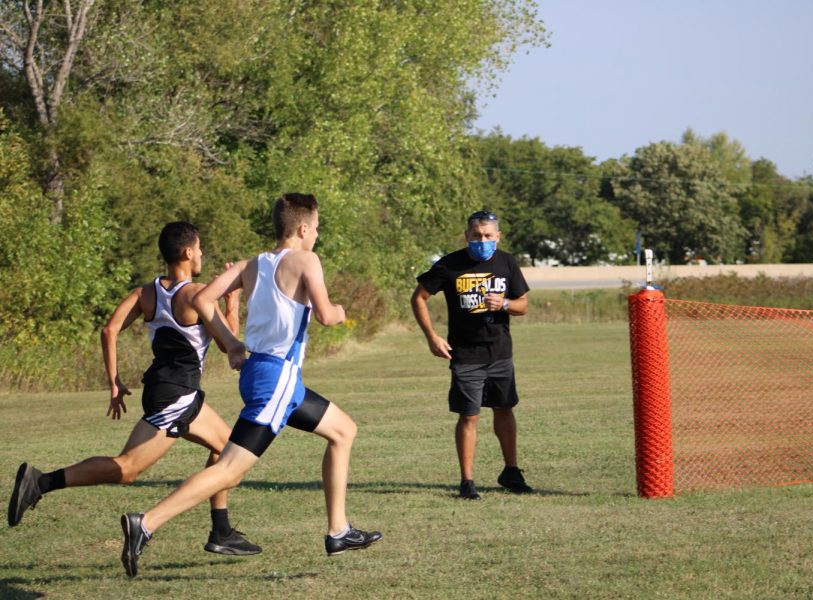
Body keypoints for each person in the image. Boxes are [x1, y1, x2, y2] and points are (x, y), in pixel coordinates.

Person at [119, 193, 381, 578]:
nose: (318, 235)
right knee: (228, 468)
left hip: (269, 376)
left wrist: (234, 346)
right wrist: (341, 312)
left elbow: (205, 298)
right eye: (318, 228)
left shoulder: (251, 264)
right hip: (276, 380)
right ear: (304, 228)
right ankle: (147, 523)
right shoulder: (307, 260)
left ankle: (338, 531)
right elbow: (325, 315)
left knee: (344, 430)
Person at [7, 222, 261, 556]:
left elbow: (109, 330)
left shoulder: (146, 293)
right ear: (187, 252)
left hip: (164, 389)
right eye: (199, 249)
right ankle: (41, 482)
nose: (201, 254)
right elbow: (228, 342)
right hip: (177, 396)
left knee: (228, 450)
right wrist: (232, 300)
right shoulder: (197, 295)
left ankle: (222, 531)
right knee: (127, 469)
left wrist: (114, 381)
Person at [411, 210, 533, 500]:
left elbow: (524, 305)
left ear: (498, 236)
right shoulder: (449, 264)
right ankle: (467, 482)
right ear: (467, 235)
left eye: (488, 236)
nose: (483, 240)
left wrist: (503, 304)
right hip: (465, 354)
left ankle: (511, 471)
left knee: (505, 409)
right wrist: (432, 338)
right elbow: (418, 298)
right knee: (470, 416)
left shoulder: (506, 262)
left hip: (500, 352)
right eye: (477, 236)